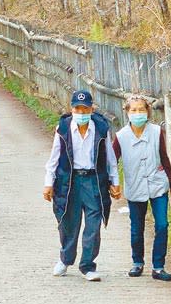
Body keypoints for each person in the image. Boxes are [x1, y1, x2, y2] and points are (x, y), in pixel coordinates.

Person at [43, 90, 120, 281]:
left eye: (85, 108)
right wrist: (48, 183)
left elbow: (110, 157)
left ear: (91, 109)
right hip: (70, 181)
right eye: (77, 108)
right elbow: (54, 157)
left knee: (93, 225)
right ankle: (65, 259)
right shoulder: (63, 128)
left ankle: (88, 265)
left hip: (94, 180)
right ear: (72, 108)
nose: (81, 112)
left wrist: (115, 181)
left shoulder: (101, 128)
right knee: (69, 222)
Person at [112, 94, 171, 282]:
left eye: (141, 109)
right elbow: (112, 161)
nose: (138, 113)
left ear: (148, 111)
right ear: (127, 112)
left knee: (162, 225)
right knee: (136, 227)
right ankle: (137, 263)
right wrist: (112, 183)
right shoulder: (121, 136)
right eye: (134, 110)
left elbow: (164, 158)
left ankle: (158, 267)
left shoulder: (157, 131)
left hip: (158, 184)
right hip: (135, 186)